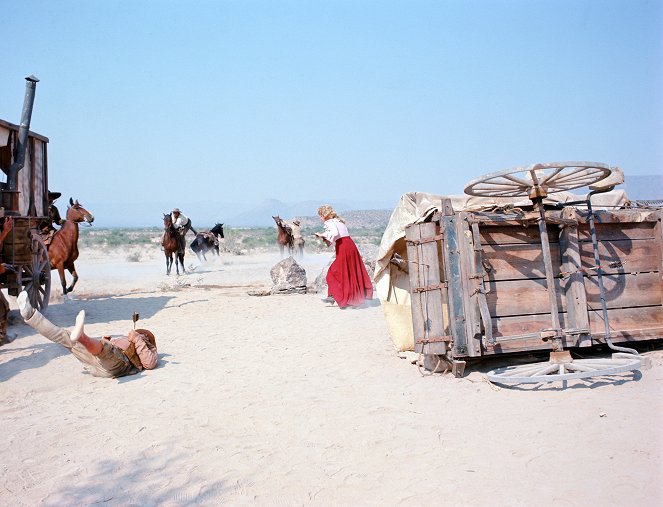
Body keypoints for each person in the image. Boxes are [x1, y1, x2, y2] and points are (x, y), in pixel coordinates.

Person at [17, 291, 158, 378]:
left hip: (118, 365)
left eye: (143, 334)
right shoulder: (129, 339)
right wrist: (107, 340)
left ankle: (82, 337)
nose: (137, 333)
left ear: (148, 339)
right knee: (64, 337)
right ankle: (31, 316)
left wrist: (138, 339)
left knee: (105, 350)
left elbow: (150, 364)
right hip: (96, 363)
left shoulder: (146, 345)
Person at [314, 204, 373, 309]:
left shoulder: (330, 222)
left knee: (333, 272)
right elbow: (336, 235)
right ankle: (338, 297)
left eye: (320, 215)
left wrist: (322, 235)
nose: (320, 218)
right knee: (349, 272)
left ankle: (335, 297)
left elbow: (334, 233)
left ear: (324, 215)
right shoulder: (338, 222)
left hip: (343, 247)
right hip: (349, 245)